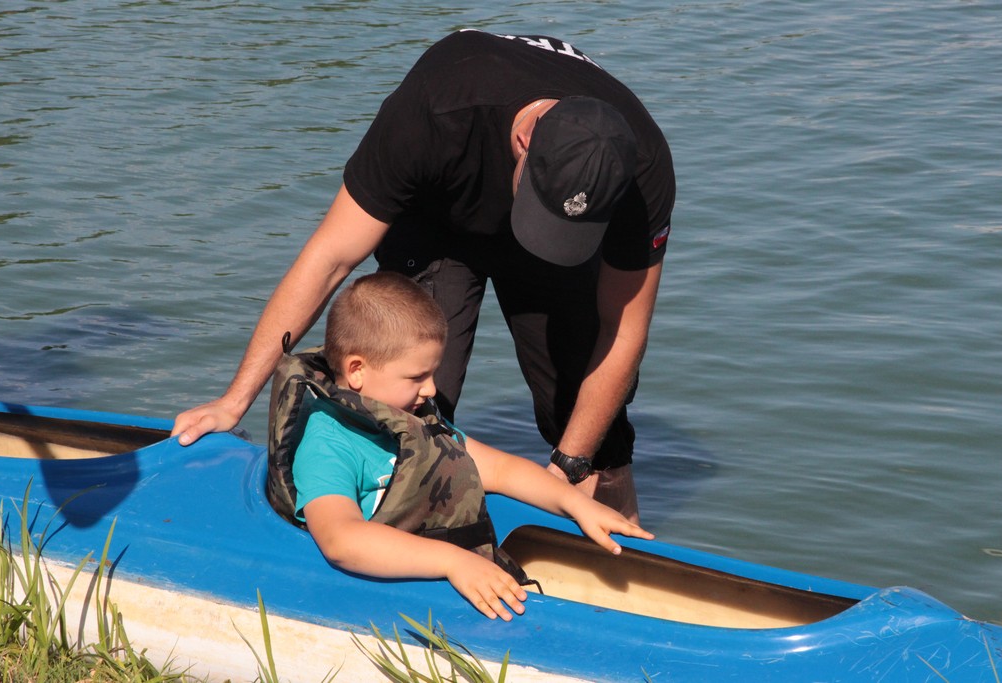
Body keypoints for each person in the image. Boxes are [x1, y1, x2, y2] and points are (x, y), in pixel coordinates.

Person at [172, 29, 676, 523]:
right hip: (439, 219)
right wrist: (235, 401)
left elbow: (624, 330)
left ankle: (625, 564)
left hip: (557, 241)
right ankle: (390, 543)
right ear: (525, 142)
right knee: (408, 398)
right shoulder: (437, 108)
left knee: (596, 435)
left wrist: (569, 466)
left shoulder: (643, 170)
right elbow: (329, 258)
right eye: (546, 213)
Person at [292, 272, 653, 621]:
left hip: (437, 567)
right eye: (417, 377)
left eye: (433, 373)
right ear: (357, 370)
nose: (432, 390)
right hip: (380, 596)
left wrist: (577, 505)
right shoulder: (329, 444)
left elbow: (500, 470)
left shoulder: (410, 423)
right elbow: (341, 539)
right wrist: (454, 561)